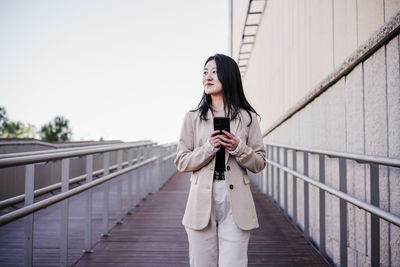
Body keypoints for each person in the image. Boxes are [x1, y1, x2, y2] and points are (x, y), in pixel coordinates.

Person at [174, 53, 266, 267]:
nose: (208, 76)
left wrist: (238, 148)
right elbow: (181, 161)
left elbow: (259, 162)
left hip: (236, 199)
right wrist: (208, 147)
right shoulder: (192, 118)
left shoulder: (247, 118)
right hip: (201, 199)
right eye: (205, 72)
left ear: (229, 76)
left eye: (214, 72)